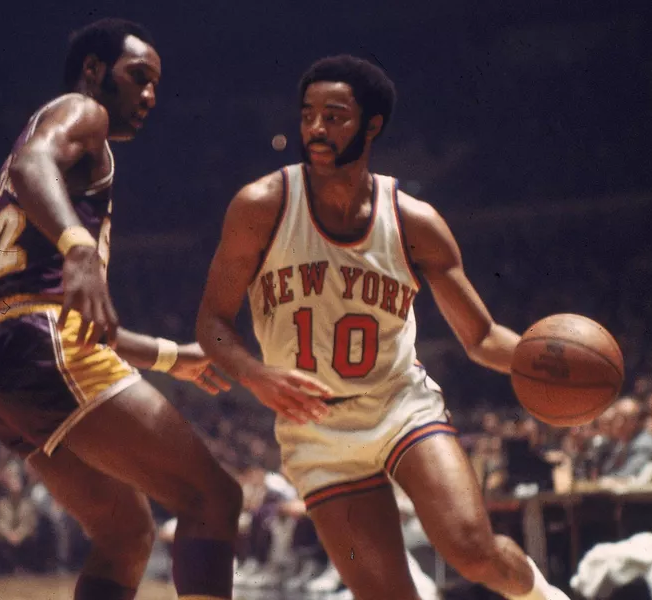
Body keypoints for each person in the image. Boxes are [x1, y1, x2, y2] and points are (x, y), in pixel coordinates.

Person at [196, 54, 569, 600]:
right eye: (308, 115)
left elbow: (482, 338)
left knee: (472, 550)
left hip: (400, 407)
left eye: (335, 115)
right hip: (316, 430)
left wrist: (549, 364)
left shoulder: (413, 221)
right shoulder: (261, 206)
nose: (316, 128)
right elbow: (212, 321)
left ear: (372, 125)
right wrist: (255, 375)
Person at [0, 18, 242, 600]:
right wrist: (79, 245)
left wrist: (172, 357)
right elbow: (28, 164)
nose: (149, 96)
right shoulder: (80, 112)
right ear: (93, 71)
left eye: (156, 86)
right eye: (138, 77)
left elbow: (82, 323)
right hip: (41, 342)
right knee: (214, 497)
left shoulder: (70, 148)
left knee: (124, 534)